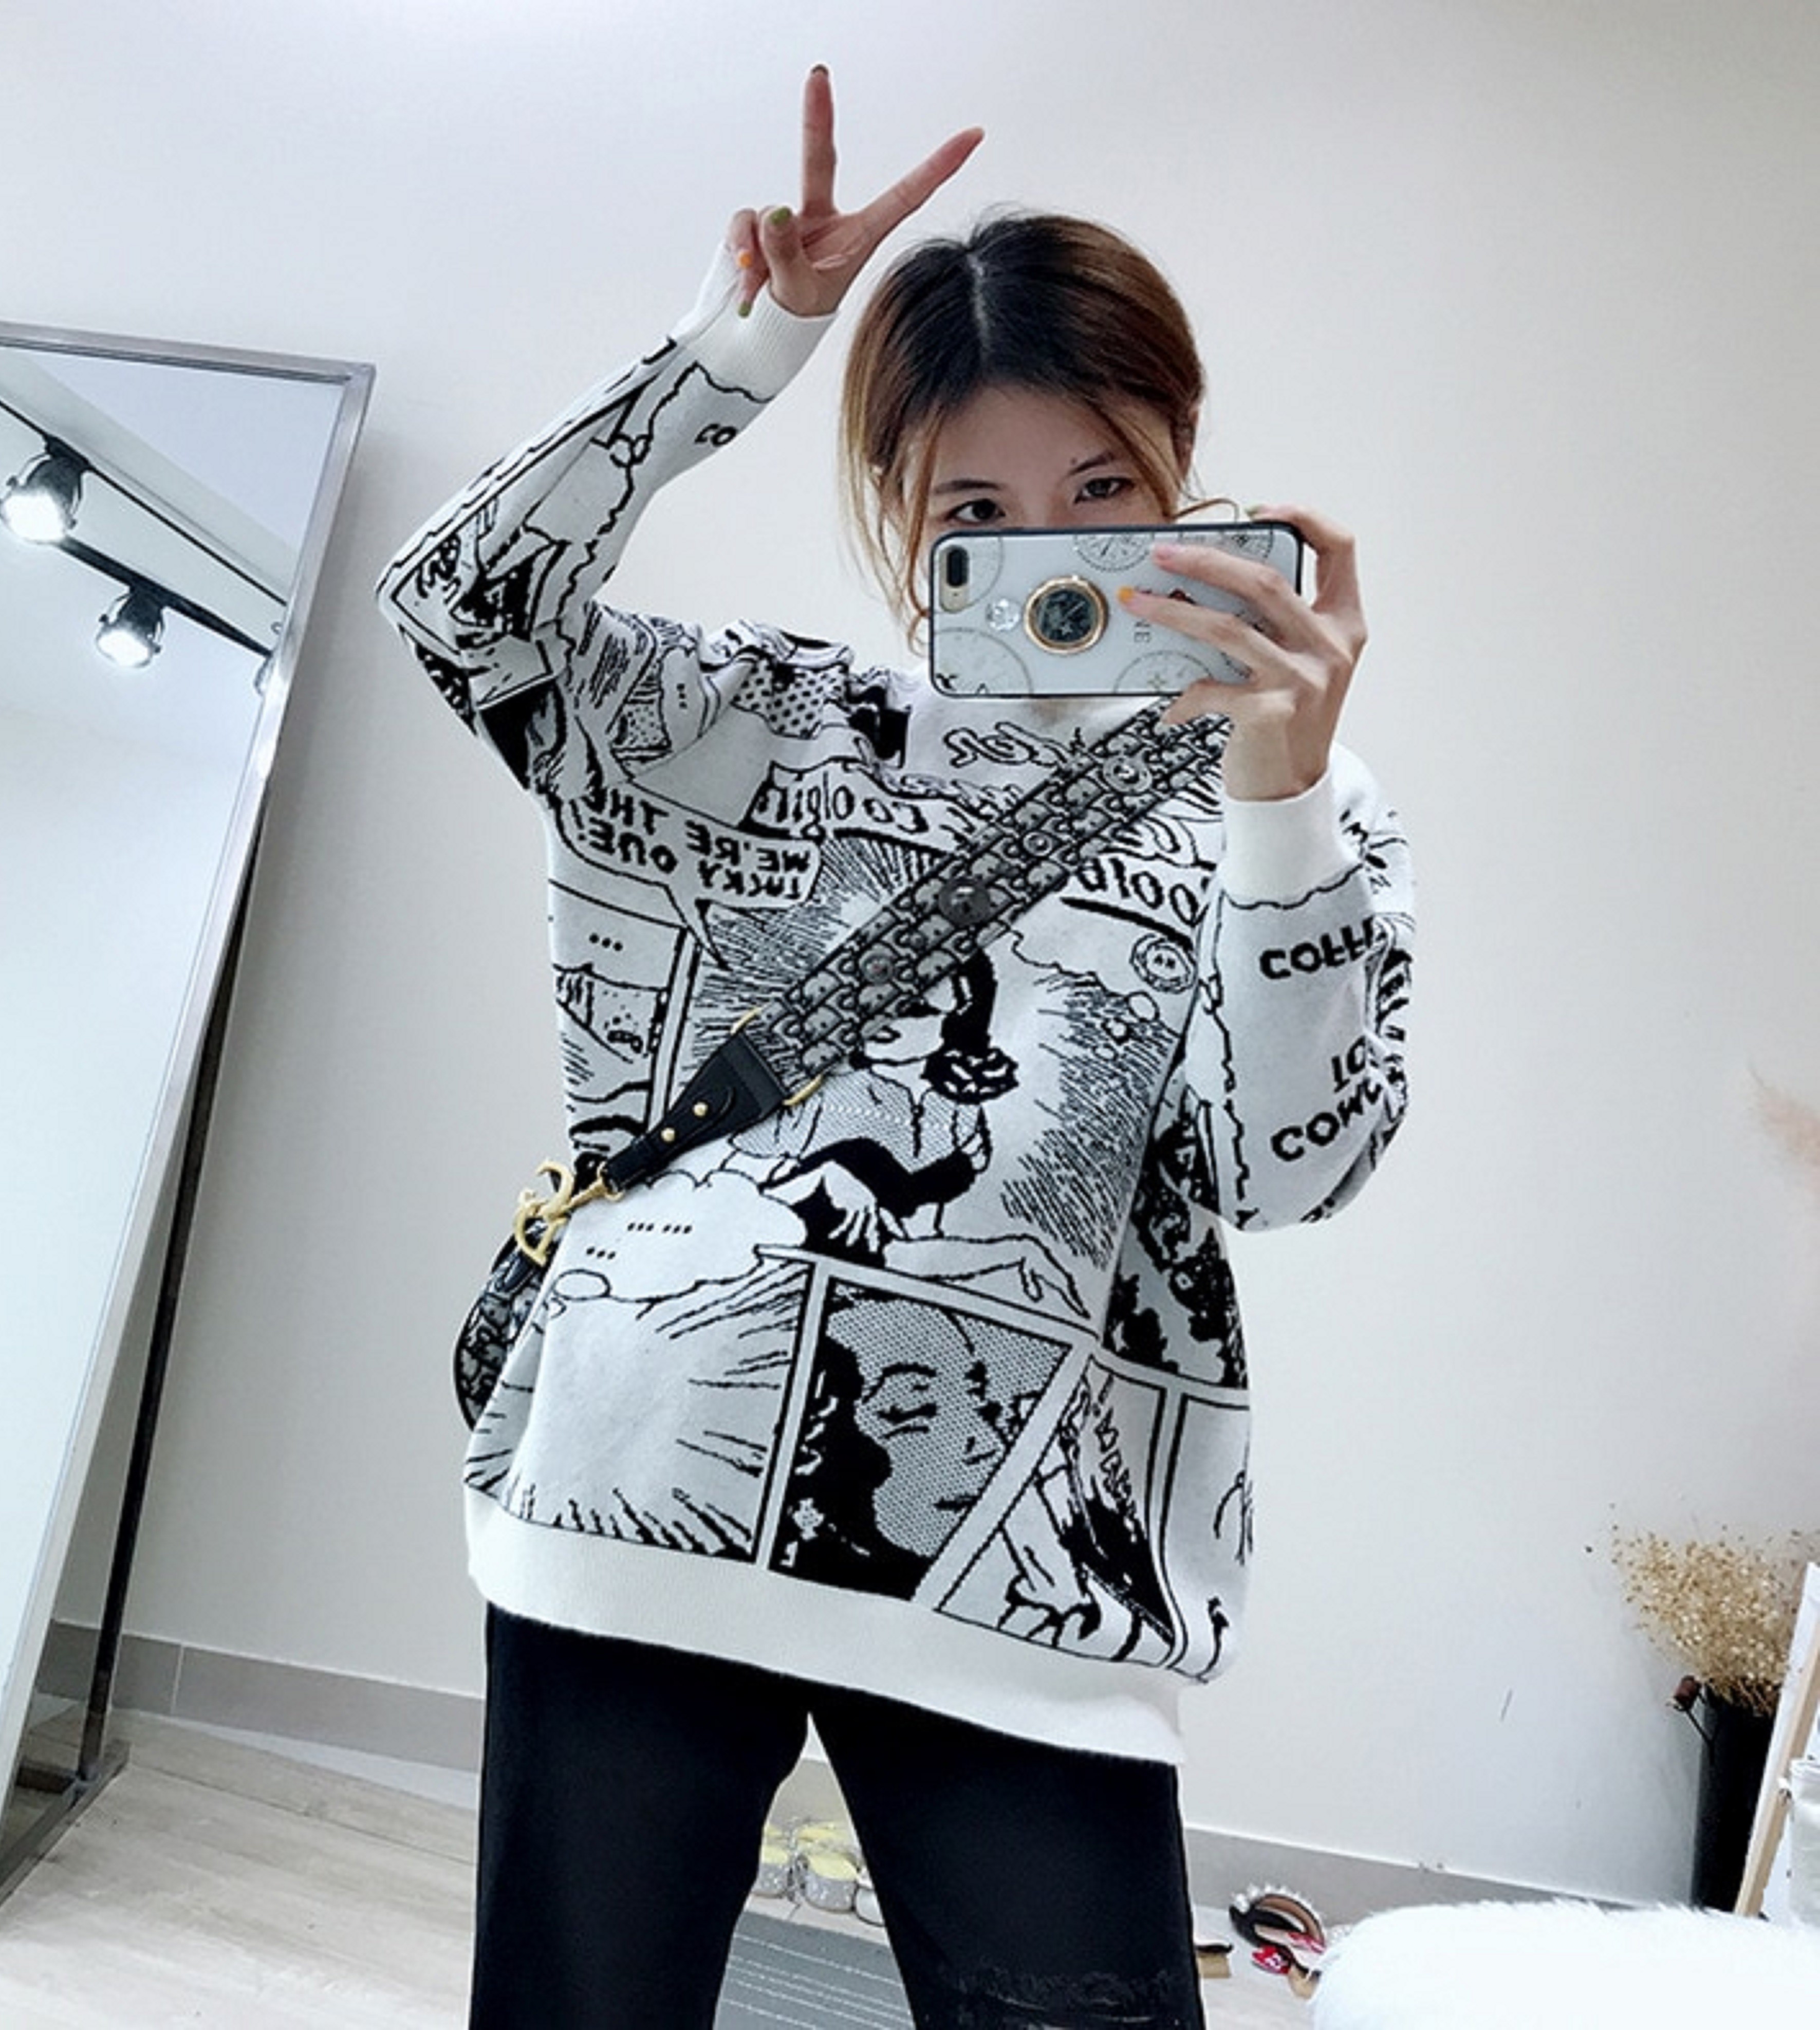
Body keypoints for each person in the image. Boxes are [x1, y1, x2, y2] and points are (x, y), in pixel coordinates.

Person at [378, 67, 1413, 2030]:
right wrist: (740, 349)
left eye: (1102, 492)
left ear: (1188, 473)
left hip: (1026, 1585)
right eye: (978, 515)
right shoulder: (761, 727)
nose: (1055, 553)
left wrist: (1282, 806)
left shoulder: (1290, 806)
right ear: (900, 525)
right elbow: (459, 609)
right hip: (641, 1499)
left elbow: (1293, 1170)